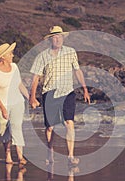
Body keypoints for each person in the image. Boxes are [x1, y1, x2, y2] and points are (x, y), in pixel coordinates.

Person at [29, 26, 90, 165]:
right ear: (50, 39)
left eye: (60, 37)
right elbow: (35, 77)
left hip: (68, 92)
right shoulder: (42, 56)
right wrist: (32, 97)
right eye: (55, 37)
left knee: (70, 123)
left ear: (63, 38)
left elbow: (77, 70)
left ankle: (70, 156)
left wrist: (85, 88)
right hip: (50, 93)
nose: (57, 39)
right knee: (50, 127)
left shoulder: (71, 52)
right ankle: (50, 153)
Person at [0, 42, 29, 165]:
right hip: (1, 104)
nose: (12, 55)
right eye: (10, 53)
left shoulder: (15, 67)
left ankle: (20, 157)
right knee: (5, 130)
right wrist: (3, 109)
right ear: (3, 57)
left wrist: (29, 97)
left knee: (17, 126)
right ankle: (8, 155)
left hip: (17, 101)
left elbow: (19, 84)